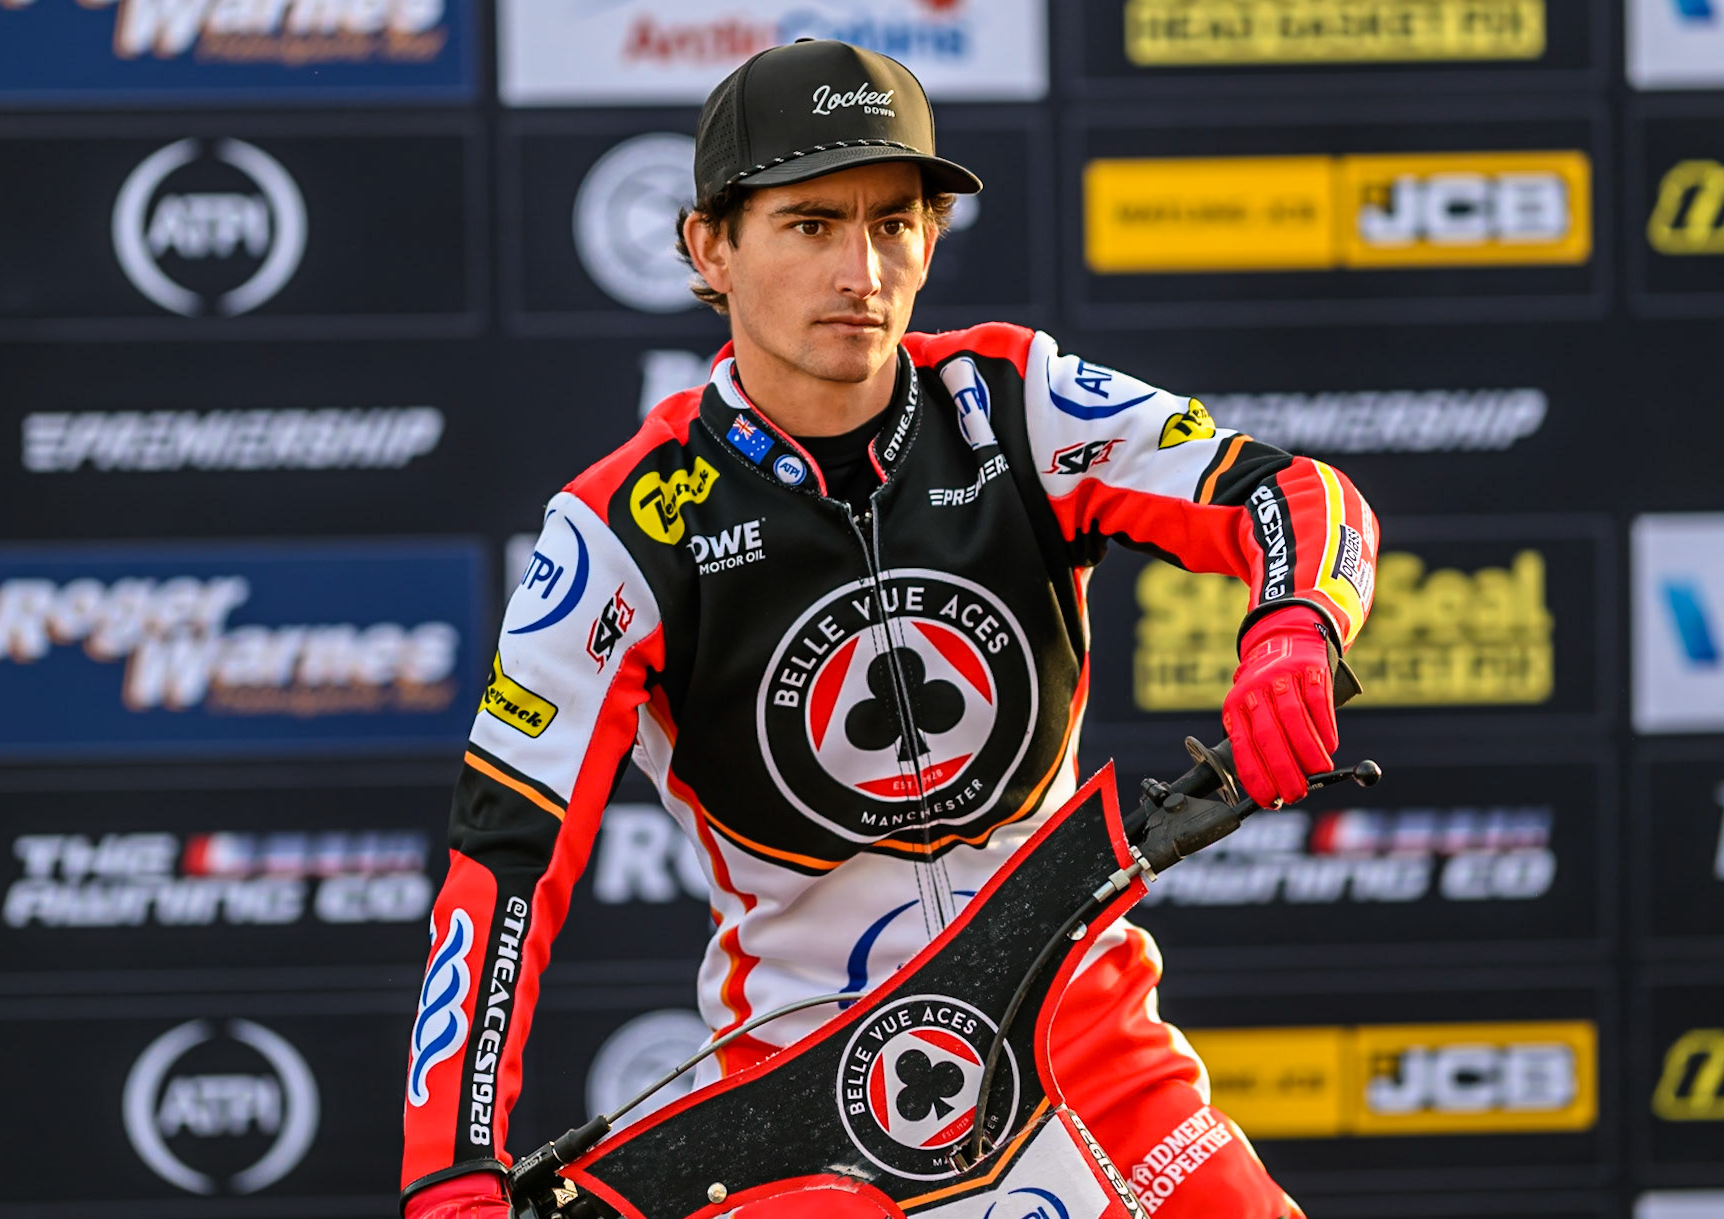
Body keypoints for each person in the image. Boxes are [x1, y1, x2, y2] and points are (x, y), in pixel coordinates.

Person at [401, 38, 1376, 1219]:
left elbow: (1293, 495)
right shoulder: (621, 526)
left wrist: (1297, 626)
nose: (861, 269)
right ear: (710, 245)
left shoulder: (1017, 402)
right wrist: (448, 1168)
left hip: (1089, 1051)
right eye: (810, 225)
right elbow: (507, 855)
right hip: (807, 1108)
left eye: (895, 223)